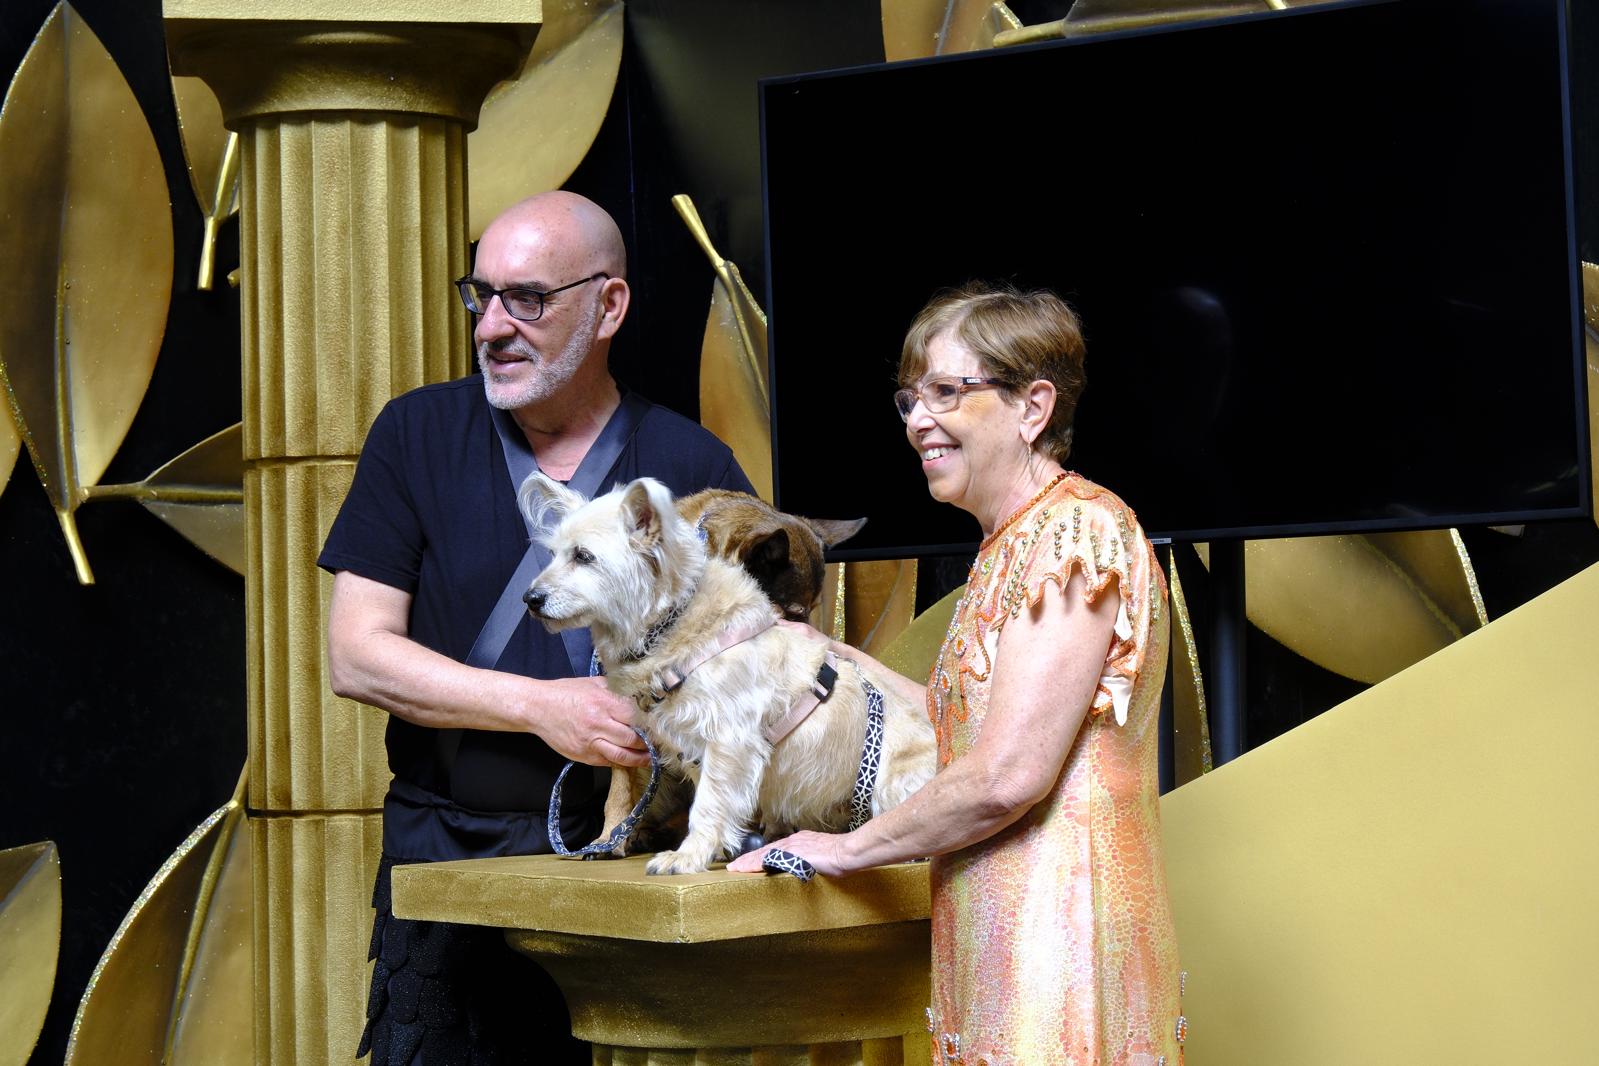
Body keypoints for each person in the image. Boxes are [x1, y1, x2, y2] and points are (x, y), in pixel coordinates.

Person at [320, 191, 753, 1066]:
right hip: (445, 855)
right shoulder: (416, 433)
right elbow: (357, 656)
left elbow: (753, 670)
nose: (491, 327)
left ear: (609, 306)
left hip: (633, 871)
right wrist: (539, 706)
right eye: (481, 296)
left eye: (528, 298)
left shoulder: (692, 467)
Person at [731, 282, 1184, 1065]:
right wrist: (832, 657)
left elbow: (1006, 773)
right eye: (909, 397)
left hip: (1061, 958)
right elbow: (971, 726)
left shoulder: (1076, 532)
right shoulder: (1010, 543)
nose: (916, 421)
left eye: (946, 391)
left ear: (1033, 408)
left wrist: (843, 847)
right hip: (1005, 945)